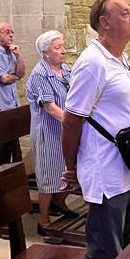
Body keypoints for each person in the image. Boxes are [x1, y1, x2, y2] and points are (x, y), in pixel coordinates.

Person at [60, 0, 130, 259]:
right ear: (104, 22)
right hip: (107, 171)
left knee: (128, 248)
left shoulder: (119, 58)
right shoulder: (92, 62)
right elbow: (72, 119)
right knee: (105, 255)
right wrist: (72, 167)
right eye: (126, 13)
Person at [26, 29, 77, 232]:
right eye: (58, 48)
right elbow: (50, 107)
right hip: (48, 132)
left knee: (69, 171)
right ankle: (44, 219)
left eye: (63, 46)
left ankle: (60, 201)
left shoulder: (65, 69)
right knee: (49, 174)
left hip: (65, 130)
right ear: (46, 53)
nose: (63, 51)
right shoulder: (40, 73)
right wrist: (74, 122)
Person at [0, 21, 25, 167]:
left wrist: (18, 56)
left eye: (12, 32)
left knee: (10, 148)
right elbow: (5, 79)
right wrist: (16, 76)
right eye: (7, 32)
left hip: (11, 105)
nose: (11, 35)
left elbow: (21, 73)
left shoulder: (12, 53)